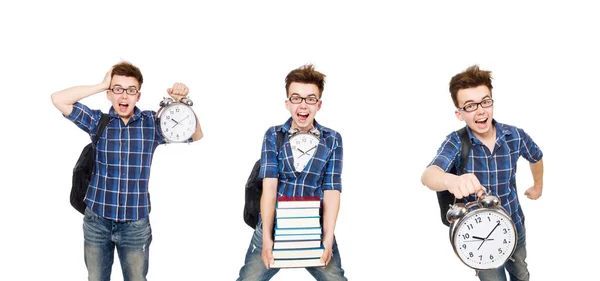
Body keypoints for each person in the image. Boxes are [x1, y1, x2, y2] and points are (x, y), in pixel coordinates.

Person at [51, 61, 203, 281]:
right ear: (110, 94)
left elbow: (196, 135)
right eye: (118, 89)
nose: (124, 96)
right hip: (97, 222)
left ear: (138, 96)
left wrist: (179, 105)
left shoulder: (152, 123)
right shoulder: (98, 122)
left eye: (131, 90)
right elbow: (58, 99)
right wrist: (102, 84)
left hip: (135, 225)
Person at [421, 65, 544, 281]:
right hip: (479, 237)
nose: (480, 110)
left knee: (521, 272)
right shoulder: (456, 142)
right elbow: (429, 175)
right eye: (470, 106)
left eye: (485, 101)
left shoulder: (515, 135)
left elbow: (536, 156)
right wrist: (450, 179)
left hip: (513, 222)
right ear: (459, 114)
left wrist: (538, 186)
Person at [237, 64, 347, 281]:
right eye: (296, 98)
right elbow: (269, 188)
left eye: (310, 99)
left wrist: (327, 238)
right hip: (275, 224)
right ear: (288, 103)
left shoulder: (332, 139)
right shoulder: (273, 135)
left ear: (319, 104)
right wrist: (267, 239)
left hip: (314, 227)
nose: (303, 105)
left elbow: (332, 189)